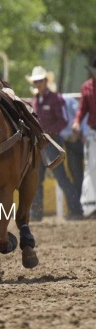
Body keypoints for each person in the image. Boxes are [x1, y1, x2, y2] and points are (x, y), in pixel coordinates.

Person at [26, 66, 84, 221]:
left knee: (61, 177)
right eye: (36, 82)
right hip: (40, 144)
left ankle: (76, 210)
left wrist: (47, 132)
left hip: (52, 143)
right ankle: (36, 213)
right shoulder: (36, 100)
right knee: (37, 178)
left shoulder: (56, 99)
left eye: (40, 81)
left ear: (46, 81)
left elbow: (63, 120)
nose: (38, 84)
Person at [72, 57, 96, 217]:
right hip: (94, 131)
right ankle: (90, 205)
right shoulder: (86, 88)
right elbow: (82, 108)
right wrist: (77, 122)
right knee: (92, 167)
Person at [61, 94, 86, 196]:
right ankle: (83, 203)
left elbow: (82, 113)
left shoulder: (67, 100)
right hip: (68, 143)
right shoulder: (42, 102)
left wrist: (83, 132)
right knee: (76, 173)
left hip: (82, 139)